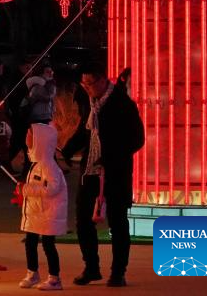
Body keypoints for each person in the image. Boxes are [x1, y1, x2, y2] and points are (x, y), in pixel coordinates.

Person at [61, 61, 144, 287]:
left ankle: (118, 272)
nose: (86, 87)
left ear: (102, 80)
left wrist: (112, 156)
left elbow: (137, 138)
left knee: (117, 222)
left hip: (115, 172)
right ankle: (91, 267)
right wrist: (67, 149)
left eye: (90, 83)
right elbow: (85, 132)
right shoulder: (91, 103)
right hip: (90, 170)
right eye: (83, 84)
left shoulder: (122, 103)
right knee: (83, 220)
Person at [17, 123, 68, 290]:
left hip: (48, 213)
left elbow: (52, 189)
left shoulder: (48, 165)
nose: (27, 136)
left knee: (48, 244)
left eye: (30, 134)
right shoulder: (36, 163)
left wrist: (27, 189)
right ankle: (32, 273)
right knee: (30, 242)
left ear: (40, 141)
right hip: (37, 212)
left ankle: (54, 278)